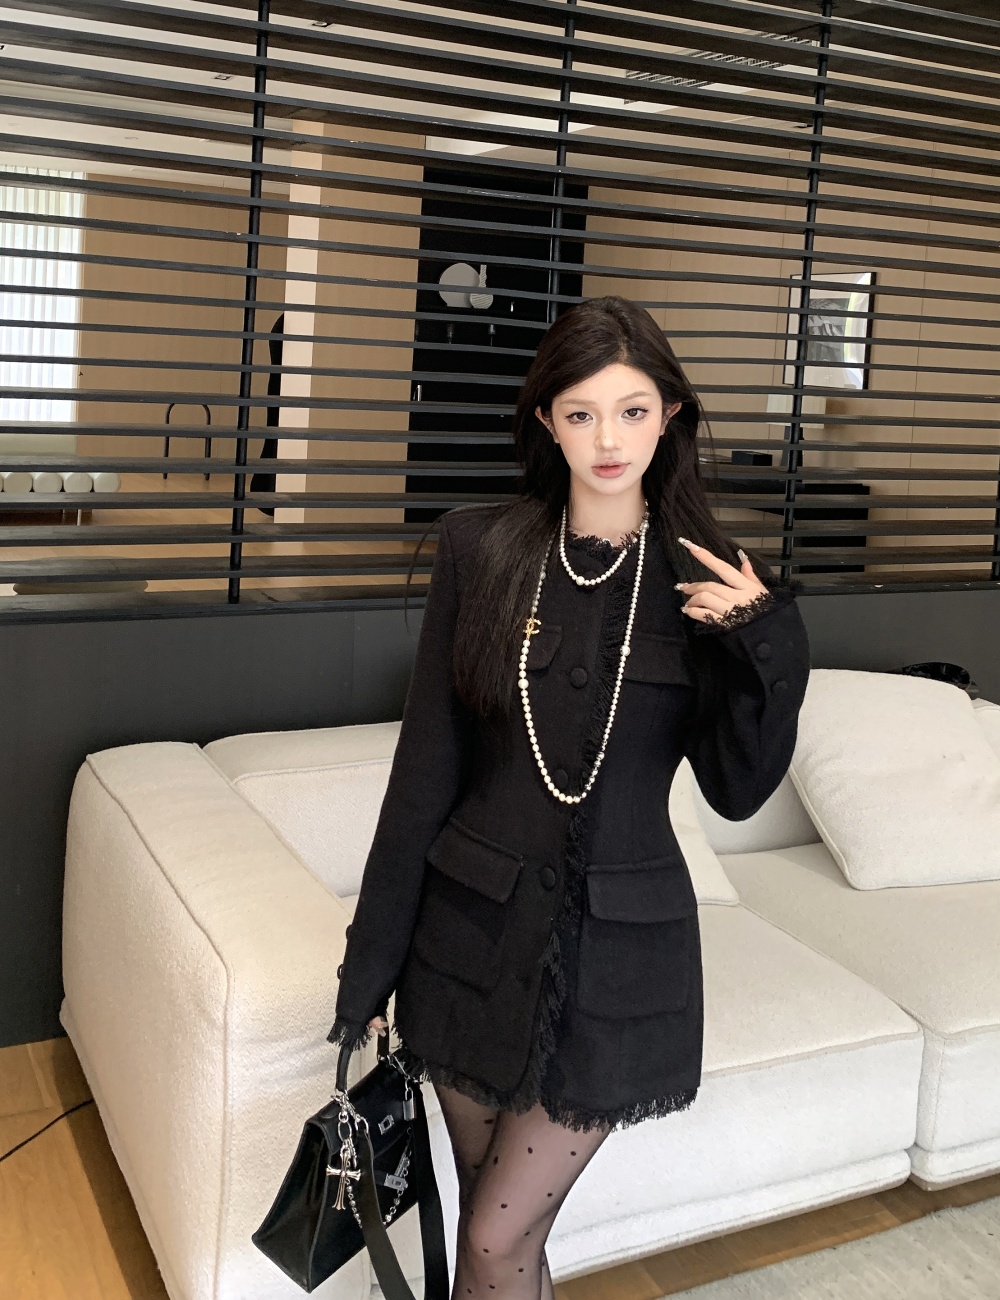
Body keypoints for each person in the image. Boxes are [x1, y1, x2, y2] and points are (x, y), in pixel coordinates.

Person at [329, 295, 811, 1298]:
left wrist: (768, 641)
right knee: (498, 1234)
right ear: (547, 420)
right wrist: (367, 971)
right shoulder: (481, 550)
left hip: (619, 972)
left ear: (670, 417)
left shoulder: (711, 583)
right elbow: (423, 774)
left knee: (492, 1242)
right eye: (582, 413)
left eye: (632, 412)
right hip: (465, 949)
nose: (609, 441)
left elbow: (737, 790)